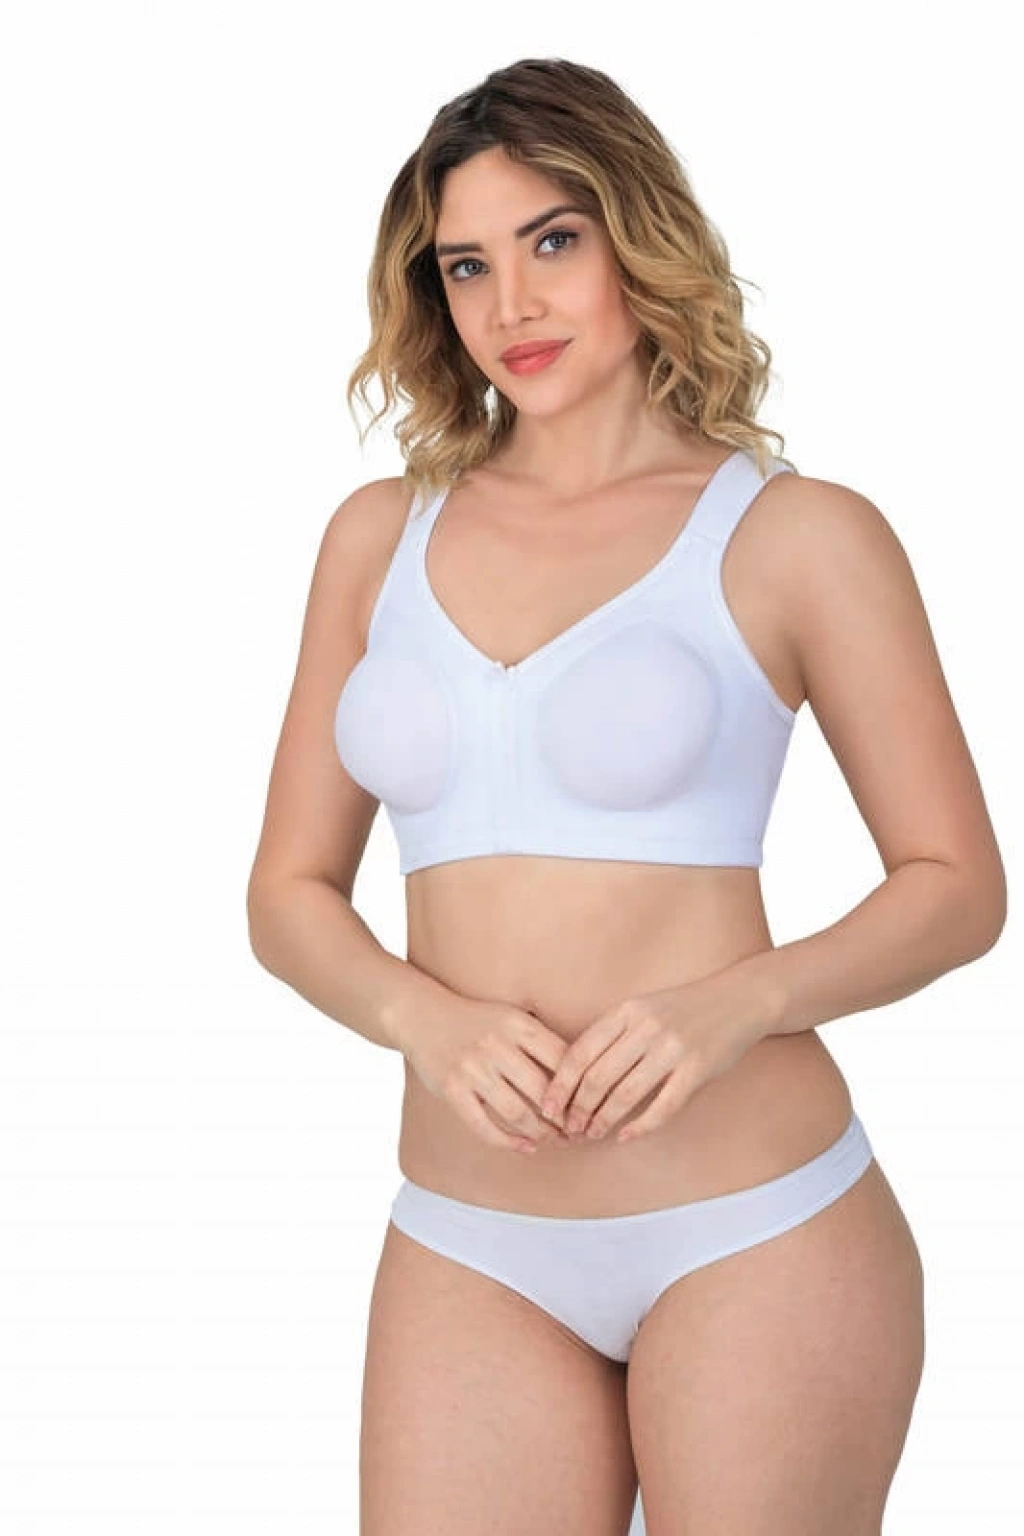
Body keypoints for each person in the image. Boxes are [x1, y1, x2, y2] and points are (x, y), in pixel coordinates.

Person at [246, 57, 1006, 1536]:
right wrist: (420, 1017)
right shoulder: (376, 539)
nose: (510, 304)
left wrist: (738, 1005)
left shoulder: (796, 536)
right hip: (469, 1242)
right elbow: (287, 894)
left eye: (553, 241)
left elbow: (957, 884)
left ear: (638, 237)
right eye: (467, 265)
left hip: (757, 1226)